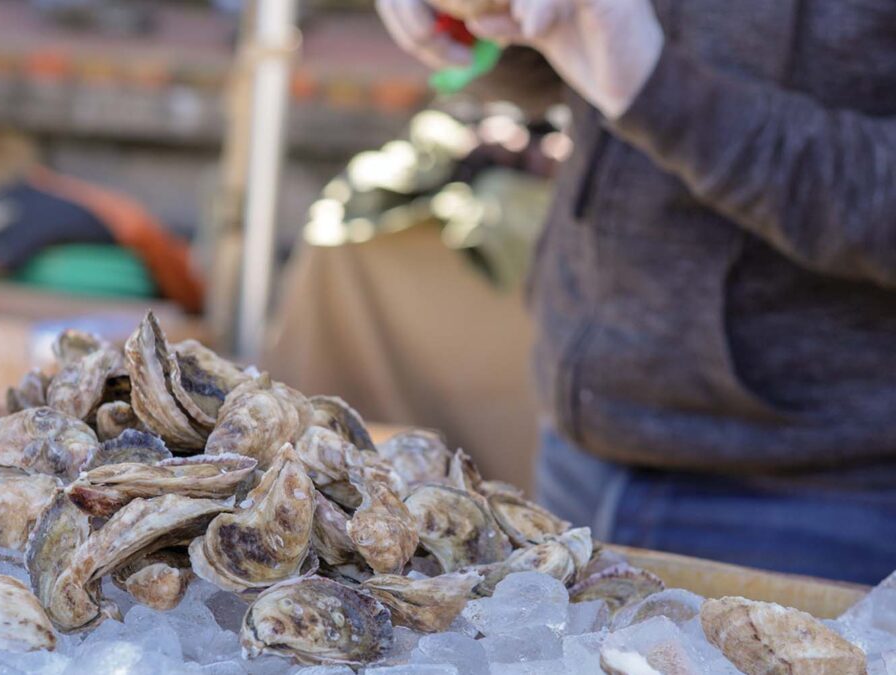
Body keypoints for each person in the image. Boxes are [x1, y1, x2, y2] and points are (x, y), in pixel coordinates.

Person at [376, 0, 896, 584]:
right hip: (580, 445)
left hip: (819, 496)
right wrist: (478, 27)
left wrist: (659, 91)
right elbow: (570, 65)